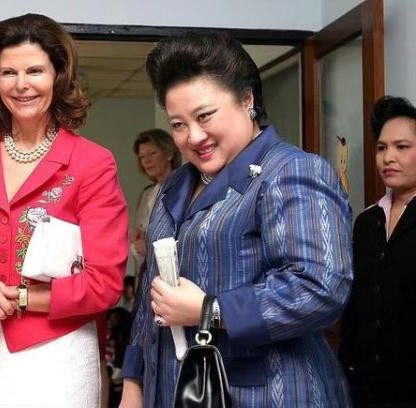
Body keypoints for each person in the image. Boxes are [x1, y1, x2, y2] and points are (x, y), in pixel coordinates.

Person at [120, 33, 353, 407]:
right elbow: (154, 293)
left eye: (204, 116)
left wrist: (210, 310)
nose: (194, 136)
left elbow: (320, 288)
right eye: (178, 124)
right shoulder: (174, 186)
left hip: (264, 391)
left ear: (247, 100)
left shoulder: (291, 171)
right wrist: (134, 383)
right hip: (171, 387)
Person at [0, 14, 128, 407]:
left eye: (35, 71)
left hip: (57, 351)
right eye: (9, 72)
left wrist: (15, 298)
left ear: (59, 75)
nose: (21, 84)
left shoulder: (92, 163)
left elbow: (104, 283)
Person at [339, 96, 416, 407]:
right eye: (381, 148)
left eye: (402, 147)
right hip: (366, 387)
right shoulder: (367, 222)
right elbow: (356, 307)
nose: (388, 158)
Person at [130, 129, 180, 281]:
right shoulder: (147, 193)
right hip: (147, 276)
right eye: (142, 157)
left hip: (176, 275)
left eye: (152, 153)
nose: (147, 161)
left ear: (169, 154)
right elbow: (140, 231)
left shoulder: (184, 188)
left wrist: (149, 247)